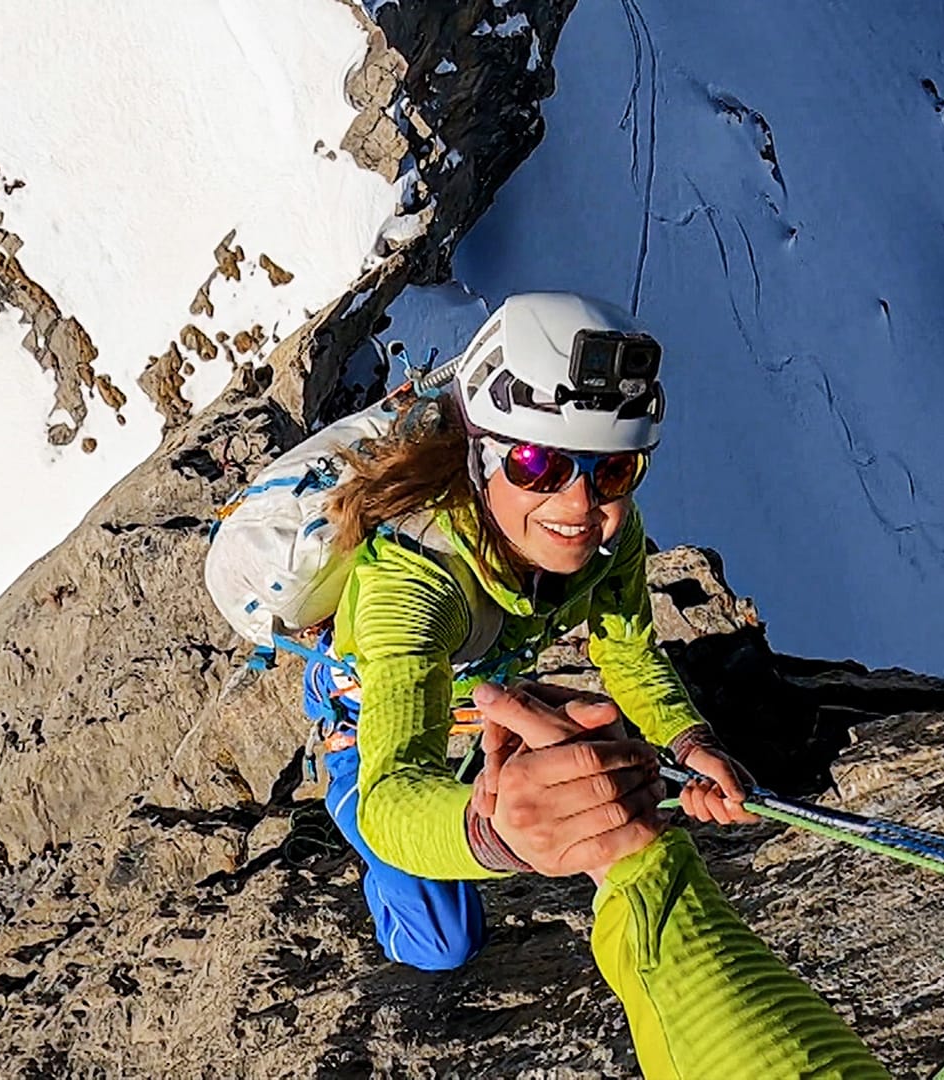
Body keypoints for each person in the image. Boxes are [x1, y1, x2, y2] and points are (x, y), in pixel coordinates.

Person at [307, 292, 887, 1077]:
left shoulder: (614, 537)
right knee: (443, 945)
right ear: (481, 458)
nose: (579, 504)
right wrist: (495, 833)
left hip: (477, 709)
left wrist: (691, 742)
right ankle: (343, 806)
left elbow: (630, 652)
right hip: (372, 722)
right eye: (538, 465)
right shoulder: (410, 582)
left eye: (611, 469)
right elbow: (393, 795)